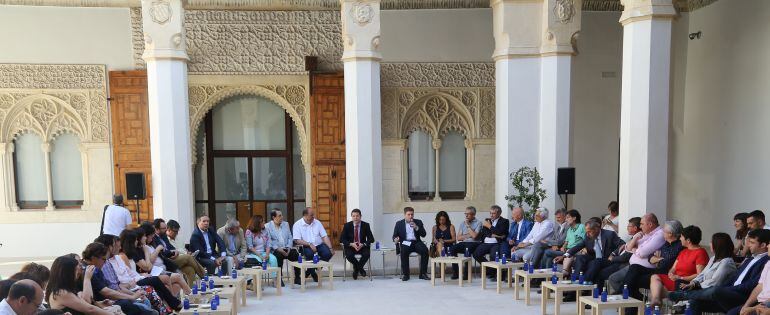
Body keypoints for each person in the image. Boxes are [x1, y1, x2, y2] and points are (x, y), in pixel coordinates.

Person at [685, 229, 770, 314]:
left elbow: (752, 284)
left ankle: (686, 295)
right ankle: (688, 295)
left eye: (752, 242)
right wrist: (725, 288)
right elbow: (734, 277)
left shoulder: (765, 261)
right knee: (695, 303)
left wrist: (729, 289)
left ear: (762, 245)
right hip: (730, 293)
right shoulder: (750, 259)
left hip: (742, 295)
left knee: (716, 290)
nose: (748, 245)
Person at [94, 234, 166, 315]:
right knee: (151, 286)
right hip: (123, 290)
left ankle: (167, 309)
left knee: (155, 286)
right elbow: (113, 288)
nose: (119, 247)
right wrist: (132, 294)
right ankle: (166, 310)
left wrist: (134, 293)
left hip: (128, 286)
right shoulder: (105, 264)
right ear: (110, 247)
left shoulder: (112, 260)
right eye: (116, 245)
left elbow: (122, 281)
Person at [112, 230, 183, 310]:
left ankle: (171, 306)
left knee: (164, 284)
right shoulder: (123, 256)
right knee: (157, 280)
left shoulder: (130, 254)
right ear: (130, 242)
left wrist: (141, 275)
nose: (137, 241)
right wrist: (146, 252)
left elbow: (132, 272)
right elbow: (139, 271)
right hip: (132, 282)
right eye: (135, 240)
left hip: (136, 278)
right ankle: (175, 304)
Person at [81, 242, 155, 315]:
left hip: (103, 303)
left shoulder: (92, 268)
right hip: (102, 307)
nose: (105, 262)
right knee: (134, 306)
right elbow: (106, 292)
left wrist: (133, 296)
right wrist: (132, 297)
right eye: (104, 259)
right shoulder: (90, 271)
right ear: (94, 258)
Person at [648, 225, 709, 307]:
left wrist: (680, 278)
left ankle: (656, 301)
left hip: (686, 283)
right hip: (676, 279)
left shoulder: (700, 252)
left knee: (656, 292)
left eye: (681, 237)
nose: (680, 239)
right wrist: (670, 273)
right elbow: (673, 268)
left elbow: (699, 275)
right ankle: (656, 299)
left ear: (688, 240)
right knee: (654, 277)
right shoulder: (684, 251)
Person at [668, 233, 737, 303]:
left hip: (715, 294)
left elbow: (715, 282)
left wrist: (697, 286)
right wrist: (693, 283)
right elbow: (702, 274)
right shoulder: (713, 258)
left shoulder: (727, 262)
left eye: (711, 242)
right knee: (684, 288)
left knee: (693, 300)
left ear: (718, 245)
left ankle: (686, 295)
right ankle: (685, 296)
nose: (710, 244)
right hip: (704, 288)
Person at [557, 220, 622, 290]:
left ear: (596, 229)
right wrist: (564, 256)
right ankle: (576, 280)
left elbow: (622, 244)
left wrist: (613, 253)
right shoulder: (588, 236)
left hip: (607, 259)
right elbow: (579, 246)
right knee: (580, 257)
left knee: (596, 262)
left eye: (589, 232)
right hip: (594, 257)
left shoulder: (609, 234)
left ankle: (585, 281)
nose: (587, 234)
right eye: (586, 232)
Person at [617, 213, 667, 300]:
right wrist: (635, 238)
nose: (640, 226)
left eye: (642, 224)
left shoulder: (659, 234)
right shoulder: (646, 233)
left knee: (630, 281)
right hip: (634, 267)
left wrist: (635, 249)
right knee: (628, 282)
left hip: (647, 269)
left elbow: (642, 253)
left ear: (650, 224)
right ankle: (629, 299)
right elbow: (627, 247)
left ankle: (621, 295)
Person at [45, 256, 115, 315]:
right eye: (75, 270)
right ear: (68, 273)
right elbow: (90, 309)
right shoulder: (61, 293)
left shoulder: (64, 290)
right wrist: (87, 279)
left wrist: (98, 304)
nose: (77, 273)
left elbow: (87, 304)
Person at [152, 218, 204, 285]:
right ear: (157, 229)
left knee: (190, 269)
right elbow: (163, 253)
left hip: (173, 258)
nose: (166, 230)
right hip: (166, 262)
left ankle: (189, 290)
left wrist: (175, 251)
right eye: (164, 228)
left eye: (166, 228)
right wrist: (171, 252)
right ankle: (204, 276)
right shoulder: (154, 239)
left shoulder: (163, 236)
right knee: (188, 257)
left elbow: (170, 247)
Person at [293, 207, 335, 284]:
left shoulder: (317, 222)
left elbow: (324, 236)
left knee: (328, 253)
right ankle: (313, 273)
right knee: (310, 254)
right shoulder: (297, 224)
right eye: (311, 215)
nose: (313, 217)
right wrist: (309, 244)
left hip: (319, 245)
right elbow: (297, 240)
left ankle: (310, 271)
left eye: (313, 215)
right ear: (305, 215)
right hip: (305, 246)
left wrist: (330, 248)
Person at [604, 217, 642, 293]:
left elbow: (626, 257)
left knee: (608, 276)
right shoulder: (633, 237)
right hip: (618, 261)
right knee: (599, 265)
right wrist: (613, 254)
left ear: (635, 228)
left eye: (629, 226)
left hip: (623, 264)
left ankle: (623, 295)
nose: (627, 228)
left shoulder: (638, 238)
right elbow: (621, 247)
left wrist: (613, 258)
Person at [472, 205, 510, 280]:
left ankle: (497, 274)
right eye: (490, 213)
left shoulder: (504, 221)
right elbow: (484, 232)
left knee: (493, 256)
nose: (491, 215)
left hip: (496, 243)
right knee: (476, 254)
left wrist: (489, 226)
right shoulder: (487, 220)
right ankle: (491, 270)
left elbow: (500, 232)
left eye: (493, 213)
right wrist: (494, 234)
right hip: (486, 242)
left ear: (499, 213)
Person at [393, 207, 430, 281]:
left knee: (425, 250)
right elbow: (394, 236)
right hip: (406, 242)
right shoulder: (399, 223)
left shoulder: (418, 222)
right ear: (404, 215)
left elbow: (424, 234)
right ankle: (406, 275)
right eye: (408, 214)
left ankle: (423, 274)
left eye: (412, 214)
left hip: (416, 242)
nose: (411, 216)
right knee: (404, 251)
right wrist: (396, 239)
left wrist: (416, 227)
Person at [340, 209, 375, 280]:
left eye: (357, 216)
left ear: (360, 216)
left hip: (362, 246)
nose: (355, 218)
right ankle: (360, 268)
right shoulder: (347, 225)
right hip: (351, 246)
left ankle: (356, 270)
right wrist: (351, 244)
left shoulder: (366, 225)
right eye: (353, 216)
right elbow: (342, 239)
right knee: (349, 255)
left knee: (366, 254)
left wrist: (363, 244)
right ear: (351, 217)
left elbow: (371, 239)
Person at [264, 209, 299, 277]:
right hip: (276, 249)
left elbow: (290, 237)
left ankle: (297, 277)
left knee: (295, 254)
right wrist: (278, 249)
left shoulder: (286, 224)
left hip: (286, 248)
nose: (282, 217)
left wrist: (289, 247)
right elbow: (269, 241)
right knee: (278, 256)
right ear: (274, 217)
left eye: (282, 215)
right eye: (279, 216)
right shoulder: (267, 226)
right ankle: (279, 278)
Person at [450, 206, 482, 280]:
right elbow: (458, 238)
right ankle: (456, 273)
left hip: (474, 243)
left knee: (467, 249)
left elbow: (474, 236)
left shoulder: (479, 223)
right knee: (452, 249)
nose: (466, 216)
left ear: (473, 214)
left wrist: (468, 226)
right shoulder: (462, 223)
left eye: (468, 214)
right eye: (465, 214)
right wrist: (469, 235)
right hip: (464, 243)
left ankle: (466, 274)